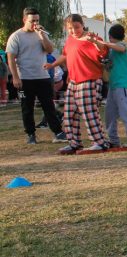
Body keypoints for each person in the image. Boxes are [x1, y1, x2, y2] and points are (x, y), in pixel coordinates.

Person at [47, 14, 110, 154]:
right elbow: (65, 55)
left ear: (82, 25)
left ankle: (99, 142)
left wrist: (94, 41)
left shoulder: (91, 37)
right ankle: (74, 143)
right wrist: (52, 65)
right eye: (70, 28)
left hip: (90, 79)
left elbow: (103, 51)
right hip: (73, 81)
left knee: (89, 112)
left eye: (76, 27)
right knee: (69, 113)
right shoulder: (70, 40)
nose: (74, 30)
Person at [6, 7, 66, 144]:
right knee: (27, 107)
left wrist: (42, 36)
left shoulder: (42, 34)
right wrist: (15, 77)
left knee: (49, 106)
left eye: (37, 20)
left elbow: (50, 50)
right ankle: (31, 134)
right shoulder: (16, 36)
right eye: (32, 21)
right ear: (24, 20)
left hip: (43, 77)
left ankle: (58, 132)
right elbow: (10, 57)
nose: (35, 24)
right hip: (25, 79)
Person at [97, 24, 127, 148]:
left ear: (110, 36)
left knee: (125, 113)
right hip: (114, 85)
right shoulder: (112, 50)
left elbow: (121, 49)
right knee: (110, 114)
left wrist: (104, 43)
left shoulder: (121, 46)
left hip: (124, 85)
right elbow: (109, 65)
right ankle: (113, 139)